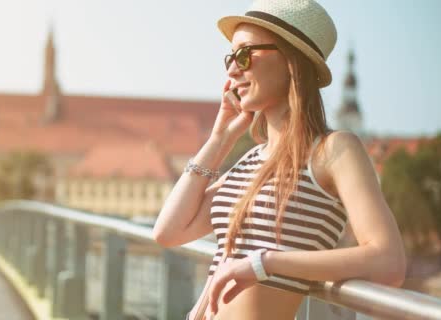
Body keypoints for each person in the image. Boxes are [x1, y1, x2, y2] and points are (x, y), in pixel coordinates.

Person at [152, 0, 407, 319]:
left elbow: (388, 262)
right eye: (230, 58)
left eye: (245, 54)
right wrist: (220, 138)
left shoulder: (333, 150)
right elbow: (168, 231)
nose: (232, 69)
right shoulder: (250, 159)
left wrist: (264, 263)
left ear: (291, 60)